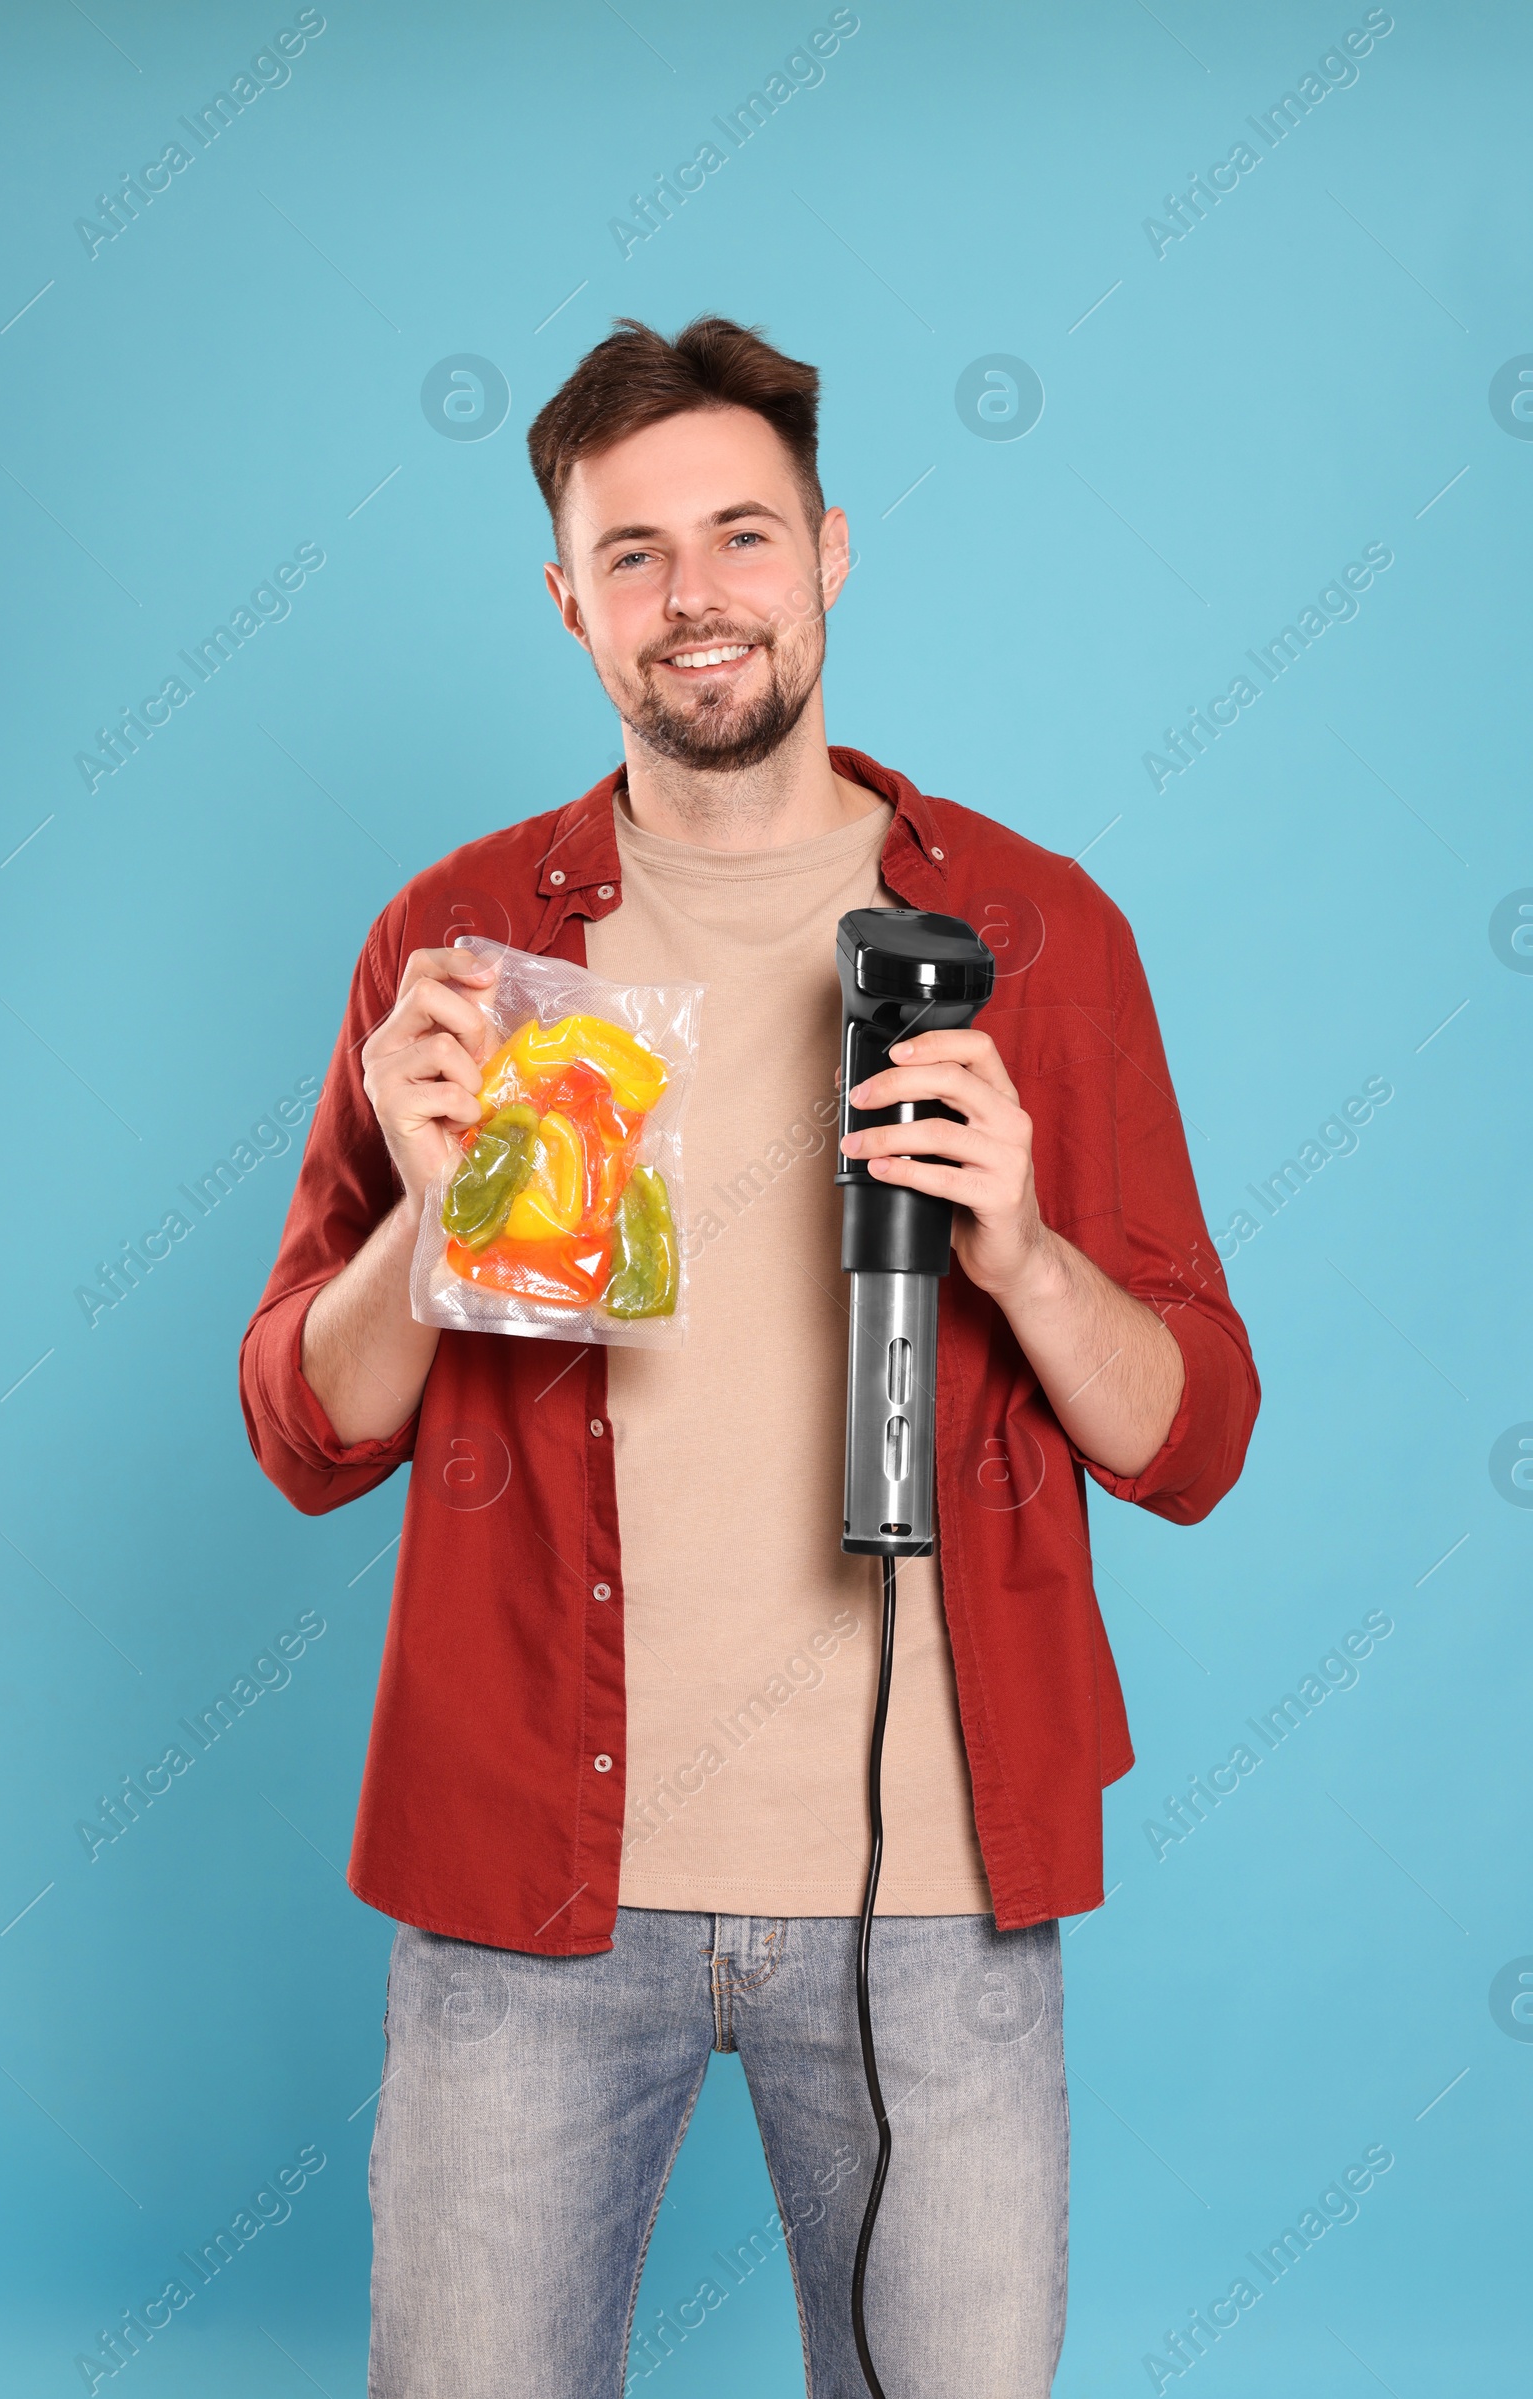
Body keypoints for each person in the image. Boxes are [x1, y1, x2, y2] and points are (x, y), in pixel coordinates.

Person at [240, 314, 1259, 2398]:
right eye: (632, 553)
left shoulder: (1034, 932)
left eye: (738, 534)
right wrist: (429, 1213)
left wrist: (1023, 1252)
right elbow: (304, 1430)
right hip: (528, 1892)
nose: (692, 594)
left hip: (931, 1904)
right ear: (566, 598)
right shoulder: (462, 941)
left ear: (828, 553)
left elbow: (1191, 1438)